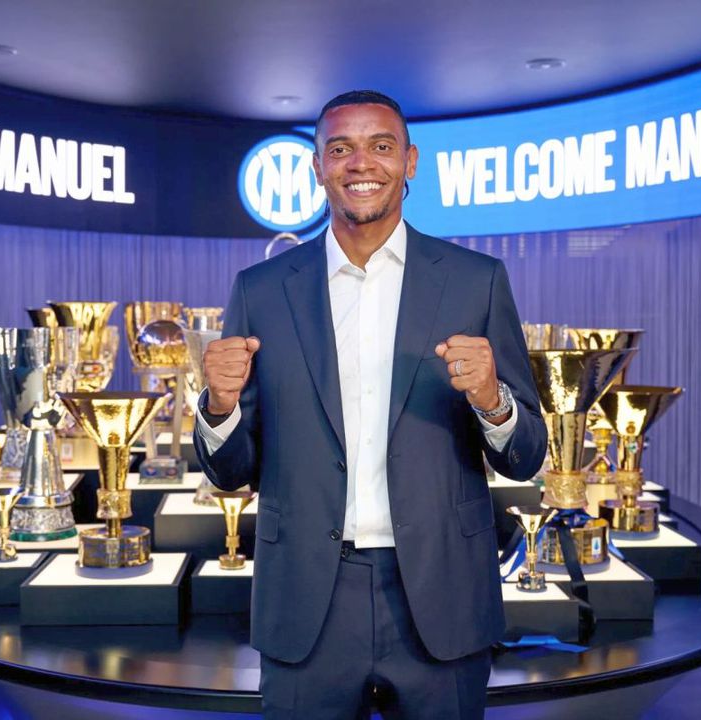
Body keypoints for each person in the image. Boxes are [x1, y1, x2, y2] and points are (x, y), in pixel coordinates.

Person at [195, 90, 546, 719]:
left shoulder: (477, 280)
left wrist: (493, 401)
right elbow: (231, 472)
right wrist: (220, 407)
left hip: (441, 590)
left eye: (381, 146)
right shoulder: (261, 290)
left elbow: (525, 459)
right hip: (306, 596)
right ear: (317, 167)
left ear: (410, 162)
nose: (361, 163)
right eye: (341, 149)